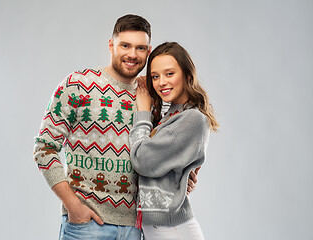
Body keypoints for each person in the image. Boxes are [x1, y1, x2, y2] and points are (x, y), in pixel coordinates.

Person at [33, 15, 198, 240]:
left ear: (148, 52)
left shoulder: (151, 96)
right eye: (125, 45)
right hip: (87, 224)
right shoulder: (78, 85)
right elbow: (44, 148)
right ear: (111, 45)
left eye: (140, 48)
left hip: (136, 228)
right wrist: (73, 207)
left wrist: (183, 174)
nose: (132, 54)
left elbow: (157, 154)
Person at [129, 42, 219, 240]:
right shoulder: (172, 114)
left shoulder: (192, 119)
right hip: (161, 229)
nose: (161, 82)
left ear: (187, 75)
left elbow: (142, 161)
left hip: (174, 231)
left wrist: (142, 113)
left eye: (169, 74)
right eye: (155, 76)